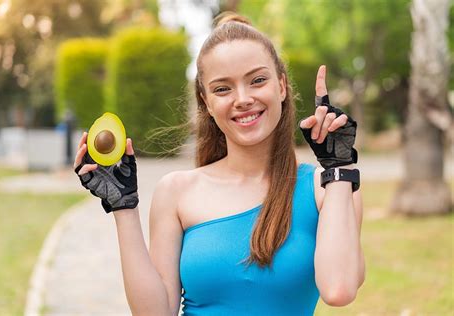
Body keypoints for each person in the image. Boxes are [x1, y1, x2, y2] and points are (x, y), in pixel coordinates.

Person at [74, 12, 364, 316]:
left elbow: (339, 289)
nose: (242, 99)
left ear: (281, 86)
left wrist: (338, 168)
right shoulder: (176, 191)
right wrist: (124, 209)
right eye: (223, 88)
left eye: (257, 80)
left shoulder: (330, 187)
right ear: (206, 102)